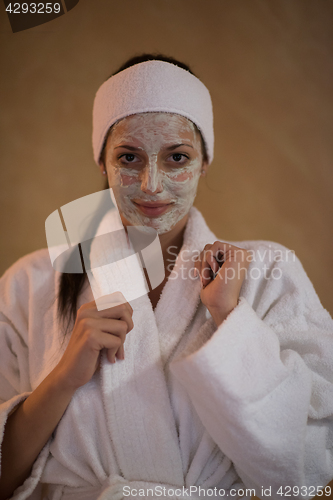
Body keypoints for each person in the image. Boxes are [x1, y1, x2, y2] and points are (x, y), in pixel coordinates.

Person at [0, 54, 332, 500]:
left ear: (205, 162)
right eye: (129, 157)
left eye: (177, 156)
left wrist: (231, 319)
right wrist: (63, 379)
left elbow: (301, 475)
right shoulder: (31, 282)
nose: (152, 184)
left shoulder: (269, 273)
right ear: (102, 162)